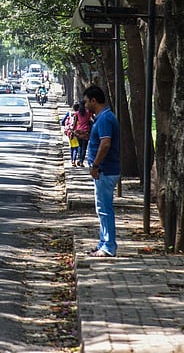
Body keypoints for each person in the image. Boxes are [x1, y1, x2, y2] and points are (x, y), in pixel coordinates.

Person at [82, 85, 121, 257]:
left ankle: (109, 246)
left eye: (86, 101)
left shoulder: (105, 118)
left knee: (105, 209)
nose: (84, 105)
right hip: (104, 170)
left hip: (105, 170)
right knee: (101, 208)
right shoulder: (102, 118)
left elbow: (105, 144)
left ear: (93, 100)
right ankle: (103, 242)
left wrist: (96, 165)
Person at [72, 102, 94, 167]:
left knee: (80, 146)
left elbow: (75, 122)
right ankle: (81, 162)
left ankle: (79, 159)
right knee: (84, 147)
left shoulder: (77, 113)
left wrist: (73, 131)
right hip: (86, 131)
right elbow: (93, 119)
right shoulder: (88, 113)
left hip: (79, 131)